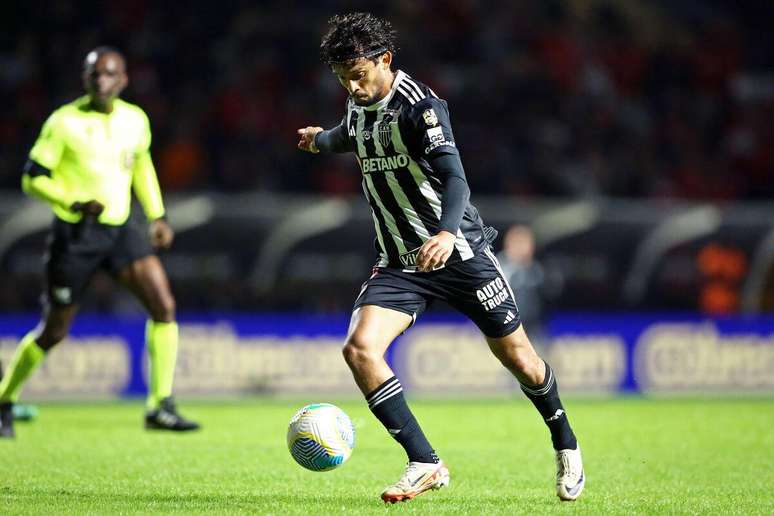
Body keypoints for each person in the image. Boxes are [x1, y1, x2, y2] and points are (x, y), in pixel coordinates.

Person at [297, 12, 584, 504]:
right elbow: (352, 134)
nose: (352, 85)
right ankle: (424, 461)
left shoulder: (421, 106)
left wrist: (448, 233)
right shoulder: (358, 101)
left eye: (359, 74)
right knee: (359, 349)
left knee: (520, 359)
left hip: (460, 252)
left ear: (385, 60)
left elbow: (455, 177)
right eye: (342, 77)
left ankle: (566, 444)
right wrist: (320, 141)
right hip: (401, 262)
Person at [0, 47, 199, 438]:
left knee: (164, 306)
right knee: (54, 330)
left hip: (121, 229)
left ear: (123, 80)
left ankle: (160, 404)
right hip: (76, 235)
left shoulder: (135, 120)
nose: (102, 82)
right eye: (95, 76)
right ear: (85, 79)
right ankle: (4, 398)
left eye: (109, 75)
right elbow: (32, 177)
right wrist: (70, 201)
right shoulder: (64, 122)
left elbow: (141, 165)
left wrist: (158, 214)